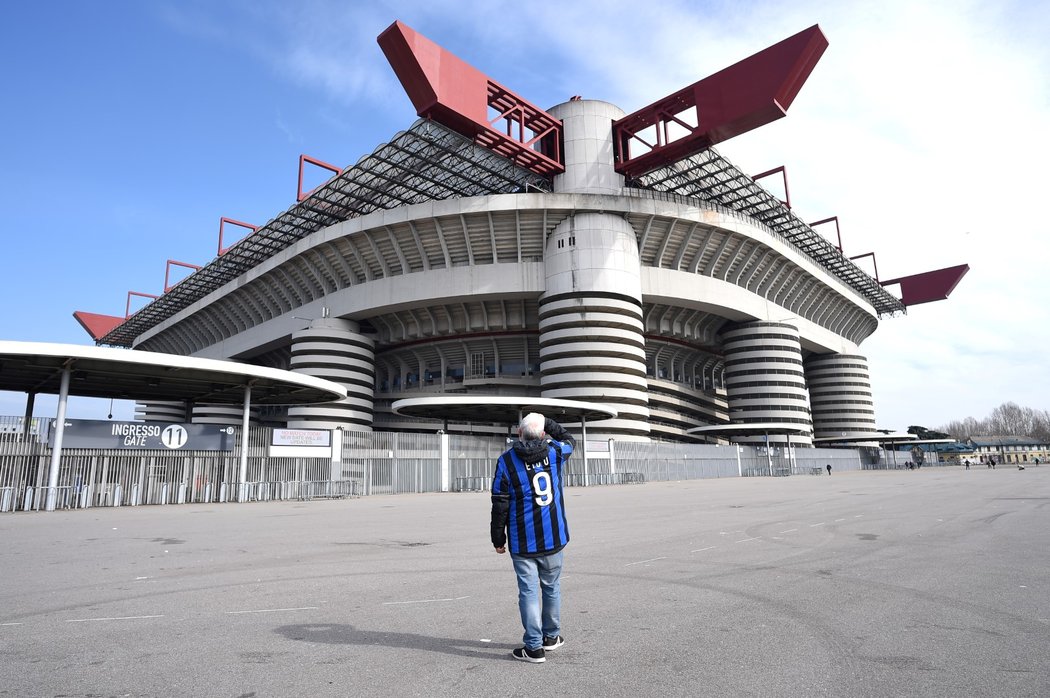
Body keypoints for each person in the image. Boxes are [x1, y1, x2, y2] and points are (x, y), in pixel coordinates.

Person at [490, 412, 574, 663]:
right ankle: (551, 637)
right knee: (551, 587)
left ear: (519, 433)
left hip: (522, 539)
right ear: (543, 434)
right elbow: (570, 439)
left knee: (528, 591)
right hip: (554, 536)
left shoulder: (506, 461)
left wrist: (498, 538)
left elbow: (500, 503)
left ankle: (534, 646)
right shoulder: (555, 451)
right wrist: (546, 422)